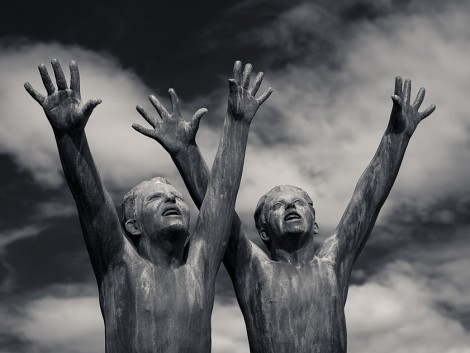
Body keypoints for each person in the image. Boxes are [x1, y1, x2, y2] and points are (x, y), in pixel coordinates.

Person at [135, 73, 435, 353]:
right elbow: (218, 204)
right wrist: (186, 154)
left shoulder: (332, 264)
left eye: (298, 202)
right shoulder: (253, 269)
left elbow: (367, 200)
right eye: (278, 206)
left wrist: (397, 137)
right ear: (263, 232)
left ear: (315, 224)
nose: (291, 206)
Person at [24, 59, 272, 353]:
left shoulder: (199, 269)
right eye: (156, 198)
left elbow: (220, 196)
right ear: (133, 225)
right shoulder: (121, 266)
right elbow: (91, 203)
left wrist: (238, 123)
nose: (172, 199)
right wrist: (69, 136)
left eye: (178, 198)